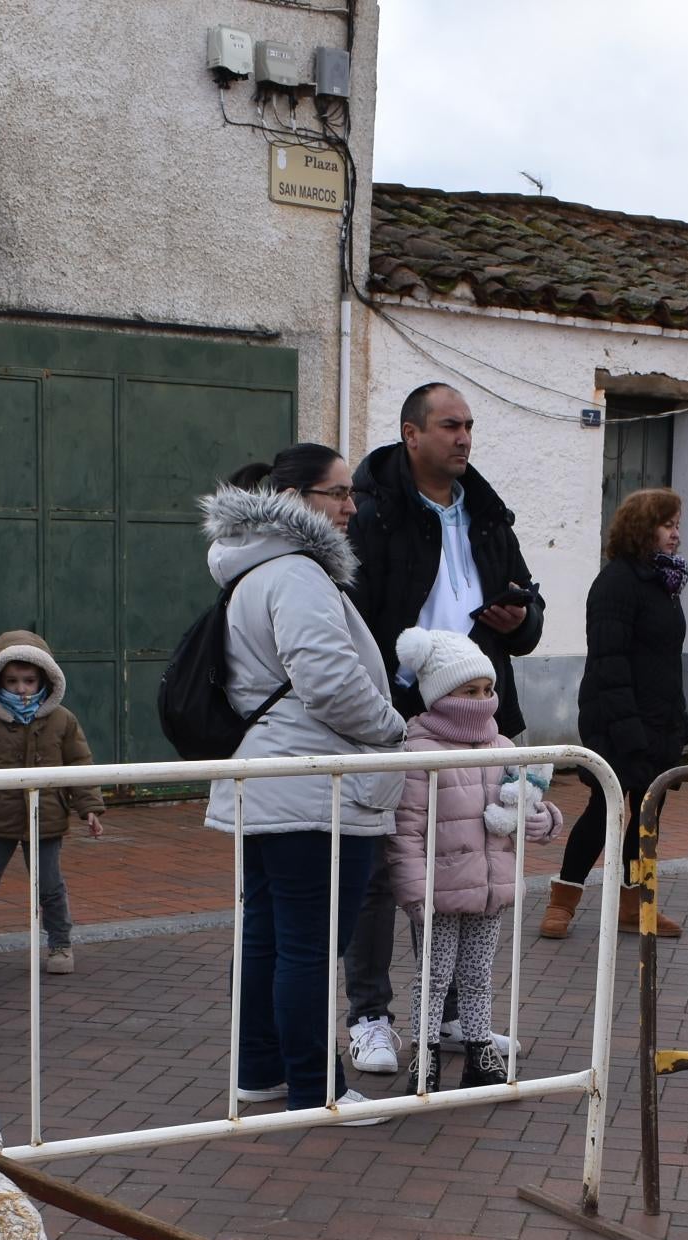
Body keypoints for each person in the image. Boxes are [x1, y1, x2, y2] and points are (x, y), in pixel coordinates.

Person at [337, 384, 544, 1076]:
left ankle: (455, 1015)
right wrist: (382, 704)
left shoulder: (486, 513)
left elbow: (528, 604)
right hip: (396, 718)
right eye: (449, 425)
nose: (463, 437)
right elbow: (358, 614)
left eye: (469, 426)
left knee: (463, 864)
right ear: (411, 434)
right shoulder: (373, 513)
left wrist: (523, 620)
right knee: (377, 870)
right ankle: (370, 1016)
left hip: (480, 718)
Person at [203, 446, 409, 1115]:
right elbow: (328, 679)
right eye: (338, 493)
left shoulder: (254, 569)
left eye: (353, 494)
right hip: (314, 786)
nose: (352, 507)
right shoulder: (296, 572)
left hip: (274, 779)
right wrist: (392, 726)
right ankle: (316, 1087)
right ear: (293, 498)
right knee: (308, 945)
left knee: (268, 932)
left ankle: (261, 1070)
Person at [389, 629, 566, 1091]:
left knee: (477, 975)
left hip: (492, 887)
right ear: (441, 694)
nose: (482, 699)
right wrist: (413, 890)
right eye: (469, 691)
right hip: (440, 892)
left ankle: (478, 1051)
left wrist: (543, 821)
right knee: (433, 976)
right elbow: (406, 829)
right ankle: (423, 1055)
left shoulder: (506, 748)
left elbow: (528, 807)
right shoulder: (418, 752)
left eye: (488, 690)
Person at [544, 485, 688, 941]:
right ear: (642, 529)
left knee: (648, 813)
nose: (676, 536)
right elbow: (609, 664)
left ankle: (637, 905)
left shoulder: (666, 582)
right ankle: (561, 902)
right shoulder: (617, 583)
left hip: (659, 719)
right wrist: (630, 734)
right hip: (618, 718)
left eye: (677, 526)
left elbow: (664, 661)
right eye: (668, 526)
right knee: (603, 810)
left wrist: (675, 722)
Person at [0, 629, 104, 971]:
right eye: (13, 681)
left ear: (45, 679)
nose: (21, 689)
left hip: (46, 818)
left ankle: (60, 946)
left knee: (50, 886)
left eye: (29, 681)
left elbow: (79, 763)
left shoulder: (63, 720)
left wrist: (88, 808)